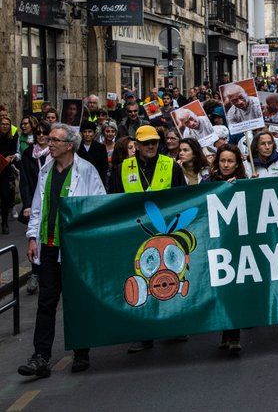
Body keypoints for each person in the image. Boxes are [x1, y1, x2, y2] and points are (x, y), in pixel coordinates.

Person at [17, 123, 105, 377]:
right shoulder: (45, 171)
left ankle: (81, 351)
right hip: (49, 246)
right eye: (49, 139)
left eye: (55, 140)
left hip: (74, 249)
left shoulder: (86, 171)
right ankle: (40, 356)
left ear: (69, 145)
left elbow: (97, 206)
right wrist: (32, 238)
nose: (49, 143)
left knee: (76, 300)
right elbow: (37, 208)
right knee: (46, 301)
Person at [109, 124, 187, 353]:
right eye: (146, 143)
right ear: (137, 145)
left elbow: (182, 198)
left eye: (154, 142)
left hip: (167, 233)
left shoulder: (171, 166)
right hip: (135, 235)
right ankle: (144, 334)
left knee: (170, 279)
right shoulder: (121, 169)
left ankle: (175, 326)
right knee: (142, 282)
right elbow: (114, 201)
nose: (151, 146)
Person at [207, 144, 247, 353]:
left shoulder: (245, 184)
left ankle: (234, 334)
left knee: (234, 288)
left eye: (230, 161)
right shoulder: (209, 183)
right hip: (215, 244)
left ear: (238, 163)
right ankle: (224, 331)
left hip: (237, 243)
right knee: (219, 289)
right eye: (222, 160)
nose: (226, 164)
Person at [18, 121, 51, 295]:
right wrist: (28, 204)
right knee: (35, 237)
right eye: (38, 133)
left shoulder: (53, 154)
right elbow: (25, 182)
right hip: (36, 201)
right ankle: (35, 274)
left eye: (44, 133)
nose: (41, 136)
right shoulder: (28, 154)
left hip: (51, 201)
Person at [0, 116, 20, 234]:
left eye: (7, 124)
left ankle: (5, 223)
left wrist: (12, 157)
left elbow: (16, 153)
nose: (5, 126)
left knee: (5, 195)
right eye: (3, 124)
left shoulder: (12, 137)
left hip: (6, 170)